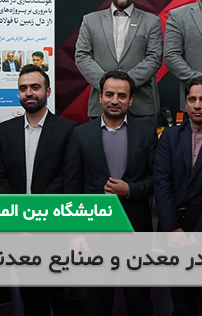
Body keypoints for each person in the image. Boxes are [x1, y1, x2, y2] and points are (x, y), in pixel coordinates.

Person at [0, 64, 80, 314]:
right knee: (32, 300)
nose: (28, 92)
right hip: (19, 232)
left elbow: (67, 177)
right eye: (23, 88)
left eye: (35, 87)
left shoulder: (68, 129)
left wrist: (37, 215)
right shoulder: (4, 131)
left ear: (48, 91)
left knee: (63, 298)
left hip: (55, 227)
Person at [63, 71, 156, 316]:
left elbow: (157, 181)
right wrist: (74, 233)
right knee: (97, 305)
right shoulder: (81, 134)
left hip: (135, 233)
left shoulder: (146, 133)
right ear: (100, 97)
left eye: (122, 96)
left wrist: (130, 190)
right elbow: (72, 187)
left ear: (131, 100)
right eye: (110, 94)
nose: (115, 100)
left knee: (139, 304)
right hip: (94, 235)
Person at [156, 77, 202, 315]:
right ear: (186, 103)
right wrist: (171, 228)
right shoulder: (169, 136)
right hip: (175, 233)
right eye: (192, 99)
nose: (197, 105)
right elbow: (162, 183)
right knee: (182, 303)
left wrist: (201, 232)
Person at [75, 0, 164, 121]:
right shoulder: (90, 20)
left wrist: (126, 84)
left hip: (140, 109)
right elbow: (82, 56)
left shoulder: (151, 21)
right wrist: (106, 85)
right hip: (101, 107)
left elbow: (154, 58)